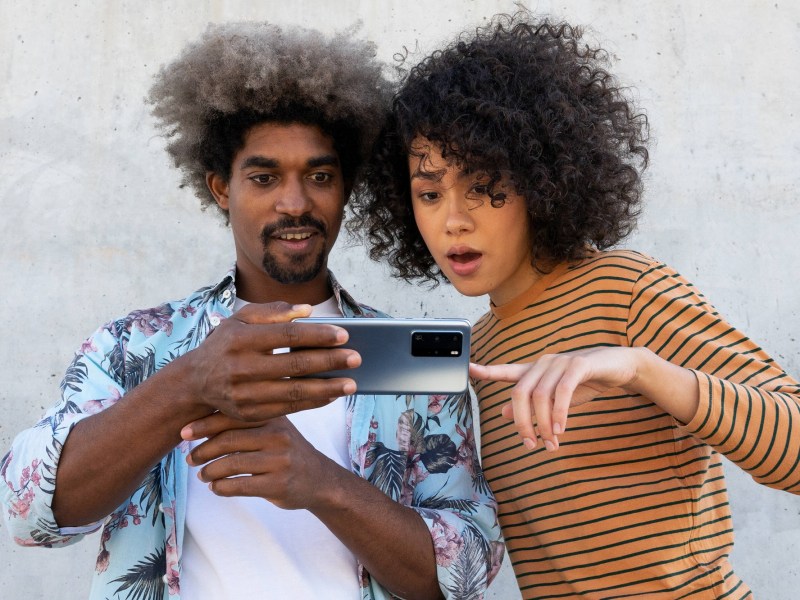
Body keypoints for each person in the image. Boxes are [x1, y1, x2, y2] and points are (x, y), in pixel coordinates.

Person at [0, 22, 504, 600]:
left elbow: (466, 574)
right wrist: (190, 383)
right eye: (264, 178)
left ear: (344, 190)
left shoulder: (408, 362)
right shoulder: (134, 347)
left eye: (319, 176)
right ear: (220, 187)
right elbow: (27, 512)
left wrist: (320, 483)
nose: (295, 203)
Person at [353, 11, 800, 599]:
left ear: (542, 180)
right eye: (430, 193)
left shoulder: (629, 289)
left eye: (486, 186)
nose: (454, 220)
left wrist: (641, 368)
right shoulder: (479, 352)